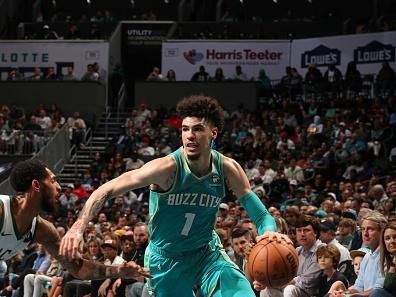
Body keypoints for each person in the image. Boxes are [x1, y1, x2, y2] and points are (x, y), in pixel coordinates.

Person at [60, 95, 288, 297]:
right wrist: (78, 226)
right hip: (166, 259)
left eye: (198, 129)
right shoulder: (166, 169)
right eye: (185, 129)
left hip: (206, 252)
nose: (190, 135)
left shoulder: (227, 168)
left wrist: (269, 233)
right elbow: (106, 189)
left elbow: (261, 215)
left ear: (213, 133)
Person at [0, 159, 148, 281]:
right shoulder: (2, 210)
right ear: (36, 185)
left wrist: (118, 271)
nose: (59, 187)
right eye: (53, 181)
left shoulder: (42, 230)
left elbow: (78, 268)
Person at [371, 221, 396, 297]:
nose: (392, 241)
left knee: (377, 293)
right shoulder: (392, 260)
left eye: (395, 237)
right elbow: (388, 286)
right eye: (387, 238)